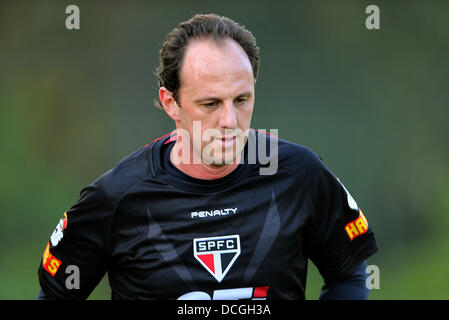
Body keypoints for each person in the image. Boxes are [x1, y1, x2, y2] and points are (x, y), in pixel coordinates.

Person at [37, 13, 377, 300]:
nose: (229, 121)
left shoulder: (298, 174)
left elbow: (347, 272)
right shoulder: (115, 198)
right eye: (210, 104)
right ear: (171, 102)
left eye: (241, 100)